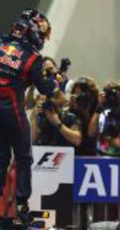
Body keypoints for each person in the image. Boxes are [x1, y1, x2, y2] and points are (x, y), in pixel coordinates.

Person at [0, 9, 62, 225]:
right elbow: (46, 89)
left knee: (0, 159)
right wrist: (56, 79)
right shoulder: (34, 57)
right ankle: (21, 204)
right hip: (13, 113)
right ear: (32, 30)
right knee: (23, 157)